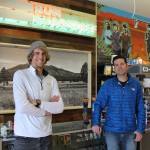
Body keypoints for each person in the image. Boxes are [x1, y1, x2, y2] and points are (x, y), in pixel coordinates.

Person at [13, 41, 64, 150]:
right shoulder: (20, 75)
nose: (40, 56)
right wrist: (46, 111)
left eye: (43, 53)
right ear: (31, 56)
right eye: (37, 53)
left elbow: (59, 107)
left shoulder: (52, 80)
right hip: (25, 138)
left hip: (46, 137)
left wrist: (37, 102)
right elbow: (23, 106)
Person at [92, 55, 145, 150]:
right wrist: (96, 123)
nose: (119, 67)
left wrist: (140, 129)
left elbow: (140, 109)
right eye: (116, 65)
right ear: (114, 68)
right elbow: (98, 104)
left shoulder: (136, 85)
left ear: (127, 65)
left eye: (122, 64)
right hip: (112, 131)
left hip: (130, 131)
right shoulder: (107, 85)